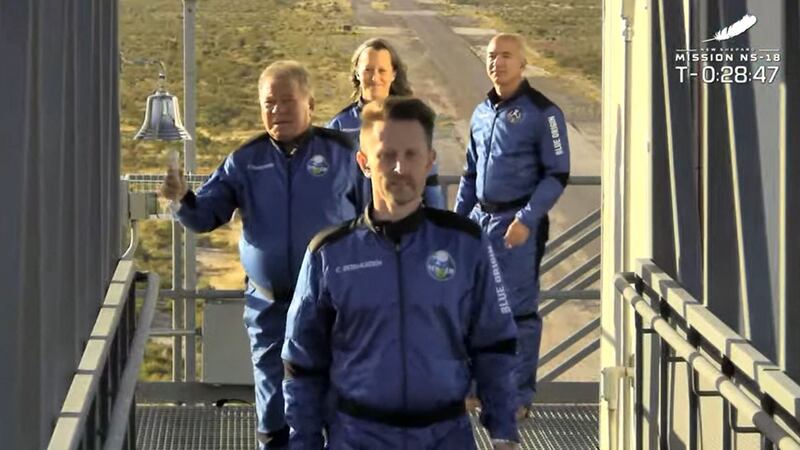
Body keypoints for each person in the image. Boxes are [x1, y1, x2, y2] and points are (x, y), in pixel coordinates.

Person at [282, 97, 520, 450]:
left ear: (429, 161)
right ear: (364, 163)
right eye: (386, 155)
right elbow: (301, 363)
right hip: (358, 437)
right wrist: (304, 442)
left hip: (445, 436)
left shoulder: (466, 245)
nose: (398, 168)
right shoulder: (329, 253)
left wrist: (503, 430)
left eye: (411, 155)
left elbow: (495, 343)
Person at [160, 60, 365, 449]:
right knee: (274, 411)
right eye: (269, 103)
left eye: (288, 101)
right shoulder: (245, 160)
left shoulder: (344, 155)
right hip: (270, 309)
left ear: (311, 103)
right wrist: (183, 198)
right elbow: (206, 215)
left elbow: (375, 217)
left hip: (335, 309)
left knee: (339, 405)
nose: (278, 110)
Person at [454, 33, 571, 418]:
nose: (497, 63)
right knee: (473, 306)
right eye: (491, 56)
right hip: (480, 220)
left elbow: (557, 174)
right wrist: (458, 224)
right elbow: (471, 174)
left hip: (517, 225)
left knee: (517, 312)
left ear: (523, 63)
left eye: (506, 56)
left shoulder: (545, 114)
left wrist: (526, 219)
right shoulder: (481, 112)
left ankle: (517, 397)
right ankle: (474, 389)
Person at [328, 38, 445, 209]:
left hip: (406, 223)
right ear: (357, 73)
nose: (375, 78)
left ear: (393, 74)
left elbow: (430, 182)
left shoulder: (413, 121)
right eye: (368, 70)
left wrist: (437, 225)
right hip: (356, 226)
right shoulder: (339, 126)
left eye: (382, 70)